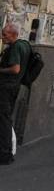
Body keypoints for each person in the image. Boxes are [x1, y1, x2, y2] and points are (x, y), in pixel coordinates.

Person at [0, 24, 30, 165]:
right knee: (5, 119)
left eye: (5, 34)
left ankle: (5, 154)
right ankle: (6, 151)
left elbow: (15, 69)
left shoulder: (16, 47)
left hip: (6, 88)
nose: (2, 37)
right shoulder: (25, 45)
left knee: (4, 120)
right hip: (13, 88)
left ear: (13, 34)